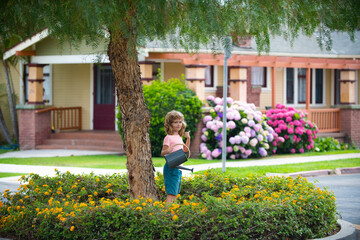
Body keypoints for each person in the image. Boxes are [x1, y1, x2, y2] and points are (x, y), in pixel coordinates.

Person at [161, 110, 190, 205]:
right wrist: (167, 151)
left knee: (175, 193)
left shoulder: (178, 136)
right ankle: (167, 215)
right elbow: (163, 153)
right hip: (171, 168)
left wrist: (188, 139)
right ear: (170, 124)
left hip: (178, 168)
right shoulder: (168, 137)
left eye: (180, 122)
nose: (178, 124)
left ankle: (172, 212)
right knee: (171, 193)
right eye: (175, 122)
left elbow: (185, 151)